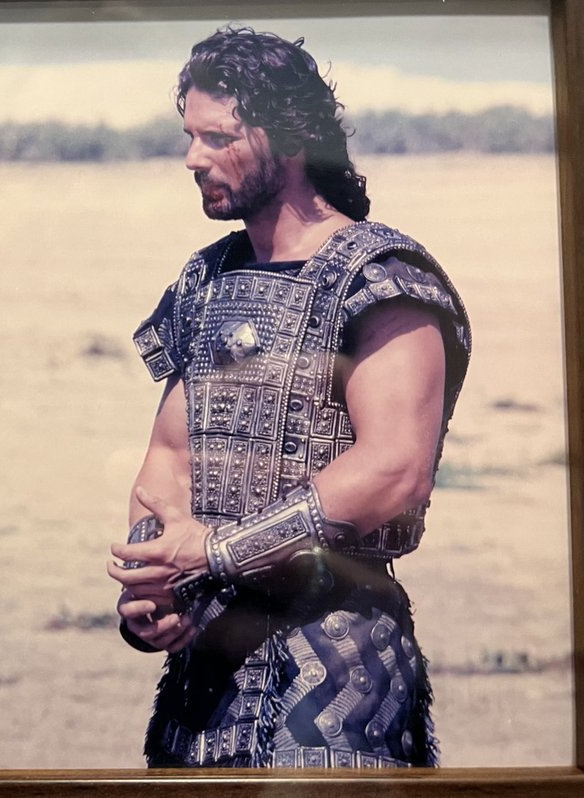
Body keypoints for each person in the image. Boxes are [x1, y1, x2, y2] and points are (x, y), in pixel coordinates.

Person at [107, 27, 471, 769]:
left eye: (218, 137)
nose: (192, 157)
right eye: (189, 135)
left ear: (293, 136)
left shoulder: (384, 277)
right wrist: (150, 587)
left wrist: (213, 551)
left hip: (339, 681)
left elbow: (396, 469)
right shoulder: (204, 280)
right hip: (203, 689)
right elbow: (170, 459)